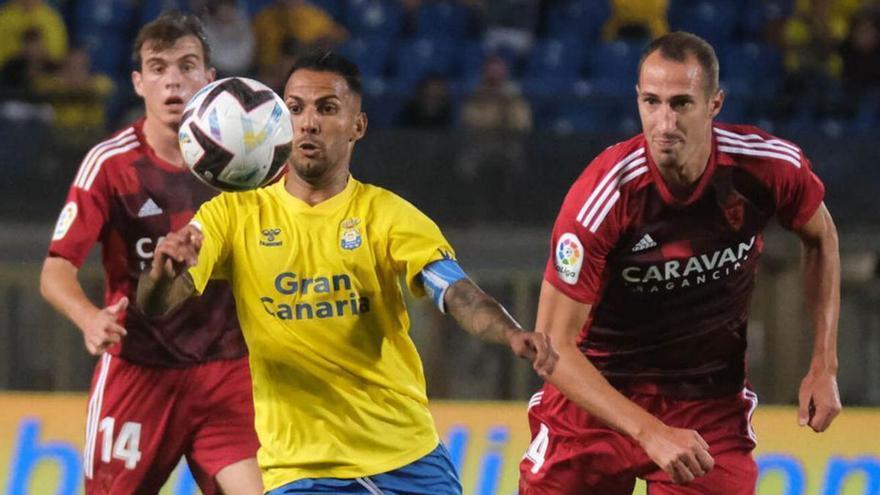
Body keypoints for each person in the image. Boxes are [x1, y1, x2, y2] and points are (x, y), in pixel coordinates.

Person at [137, 51, 557, 494]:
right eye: (295, 108)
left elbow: (454, 291)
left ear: (358, 126)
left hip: (405, 458)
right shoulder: (232, 215)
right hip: (301, 472)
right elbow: (155, 304)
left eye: (327, 108)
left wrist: (510, 332)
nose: (309, 122)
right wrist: (164, 272)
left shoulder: (387, 216)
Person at [519, 31, 841, 494]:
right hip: (595, 402)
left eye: (681, 103)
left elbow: (822, 237)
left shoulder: (767, 169)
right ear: (637, 101)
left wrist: (823, 365)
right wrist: (651, 432)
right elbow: (551, 349)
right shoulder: (602, 197)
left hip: (706, 401)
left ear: (714, 104)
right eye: (652, 102)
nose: (664, 121)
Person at [39, 11, 262, 495]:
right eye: (158, 68)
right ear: (139, 82)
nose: (173, 81)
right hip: (138, 370)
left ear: (210, 78)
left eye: (187, 65)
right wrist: (90, 319)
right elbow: (55, 268)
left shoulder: (249, 165)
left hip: (226, 372)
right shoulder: (112, 164)